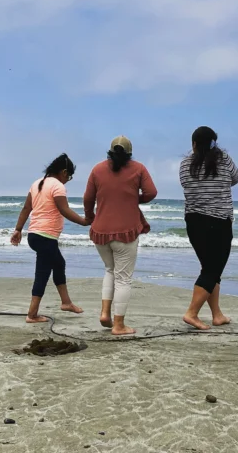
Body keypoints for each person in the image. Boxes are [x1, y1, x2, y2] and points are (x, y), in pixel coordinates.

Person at [83, 135, 157, 336]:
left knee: (109, 270)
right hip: (126, 231)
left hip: (101, 230)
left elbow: (88, 198)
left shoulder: (97, 169)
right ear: (129, 154)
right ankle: (118, 325)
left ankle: (105, 313)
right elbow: (151, 192)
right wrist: (134, 197)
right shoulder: (138, 168)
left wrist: (90, 217)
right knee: (123, 278)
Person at [9, 154, 89, 323]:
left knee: (58, 263)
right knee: (43, 273)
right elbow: (64, 209)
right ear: (64, 172)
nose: (68, 180)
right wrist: (83, 221)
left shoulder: (37, 183)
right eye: (70, 176)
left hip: (35, 235)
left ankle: (66, 302)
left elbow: (26, 208)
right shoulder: (57, 186)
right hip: (45, 236)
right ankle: (32, 314)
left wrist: (18, 229)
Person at [179, 126, 238, 330]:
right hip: (219, 222)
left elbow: (184, 183)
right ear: (215, 143)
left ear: (194, 144)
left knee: (210, 268)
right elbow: (236, 178)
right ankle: (192, 313)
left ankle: (217, 314)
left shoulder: (185, 164)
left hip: (193, 222)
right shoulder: (223, 160)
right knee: (213, 269)